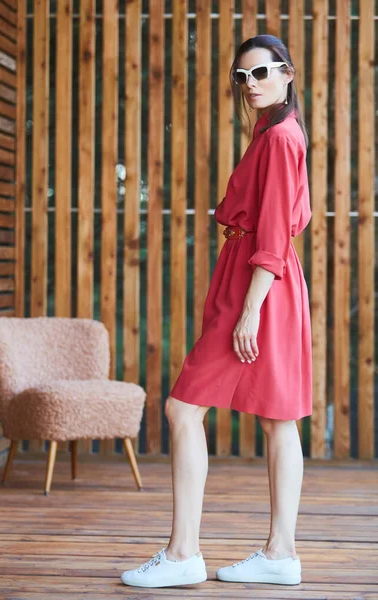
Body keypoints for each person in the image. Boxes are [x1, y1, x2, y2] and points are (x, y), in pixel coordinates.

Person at [121, 33, 312, 589]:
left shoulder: (278, 137)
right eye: (241, 76)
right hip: (263, 278)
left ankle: (184, 555)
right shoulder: (274, 132)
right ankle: (280, 554)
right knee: (279, 419)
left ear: (287, 73)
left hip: (258, 283)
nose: (250, 84)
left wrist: (250, 309)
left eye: (261, 73)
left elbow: (275, 230)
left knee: (184, 409)